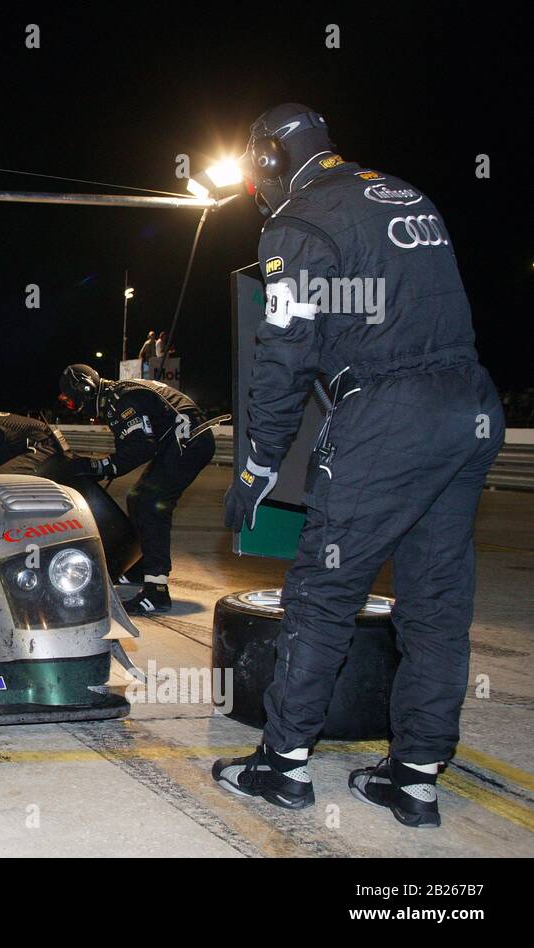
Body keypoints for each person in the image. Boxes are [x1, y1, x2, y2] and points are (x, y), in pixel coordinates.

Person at [213, 104, 505, 828]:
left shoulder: (300, 221)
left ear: (271, 161)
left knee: (322, 594)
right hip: (468, 408)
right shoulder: (403, 193)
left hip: (389, 416)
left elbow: (283, 356)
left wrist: (256, 467)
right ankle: (413, 779)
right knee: (435, 605)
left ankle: (281, 768)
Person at [59, 363, 214, 615]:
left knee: (151, 503)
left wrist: (98, 466)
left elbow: (140, 448)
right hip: (178, 439)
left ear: (85, 390)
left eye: (72, 403)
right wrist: (104, 466)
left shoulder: (120, 399)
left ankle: (157, 591)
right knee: (136, 497)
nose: (74, 409)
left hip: (188, 441)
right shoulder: (116, 395)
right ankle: (144, 568)